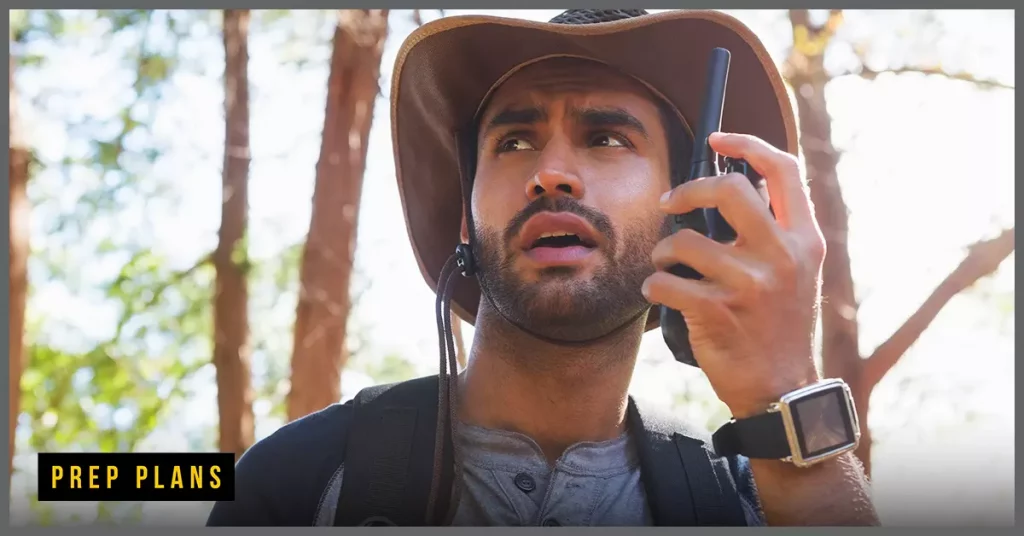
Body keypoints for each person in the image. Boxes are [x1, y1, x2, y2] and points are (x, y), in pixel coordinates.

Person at [207, 9, 879, 527]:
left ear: (688, 213)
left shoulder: (747, 503)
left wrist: (784, 399)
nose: (550, 172)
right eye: (515, 140)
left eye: (606, 137)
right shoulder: (301, 479)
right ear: (466, 219)